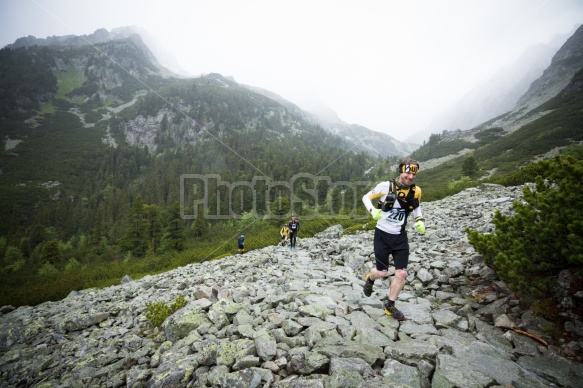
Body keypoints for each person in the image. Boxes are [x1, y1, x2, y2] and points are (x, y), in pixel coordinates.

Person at [361, 158, 425, 321]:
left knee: (401, 273)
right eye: (408, 173)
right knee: (382, 272)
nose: (410, 177)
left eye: (413, 174)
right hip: (382, 235)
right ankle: (370, 277)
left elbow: (416, 207)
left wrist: (420, 221)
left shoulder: (416, 191)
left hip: (400, 237)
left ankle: (390, 305)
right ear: (401, 171)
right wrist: (373, 211)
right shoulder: (386, 186)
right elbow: (366, 197)